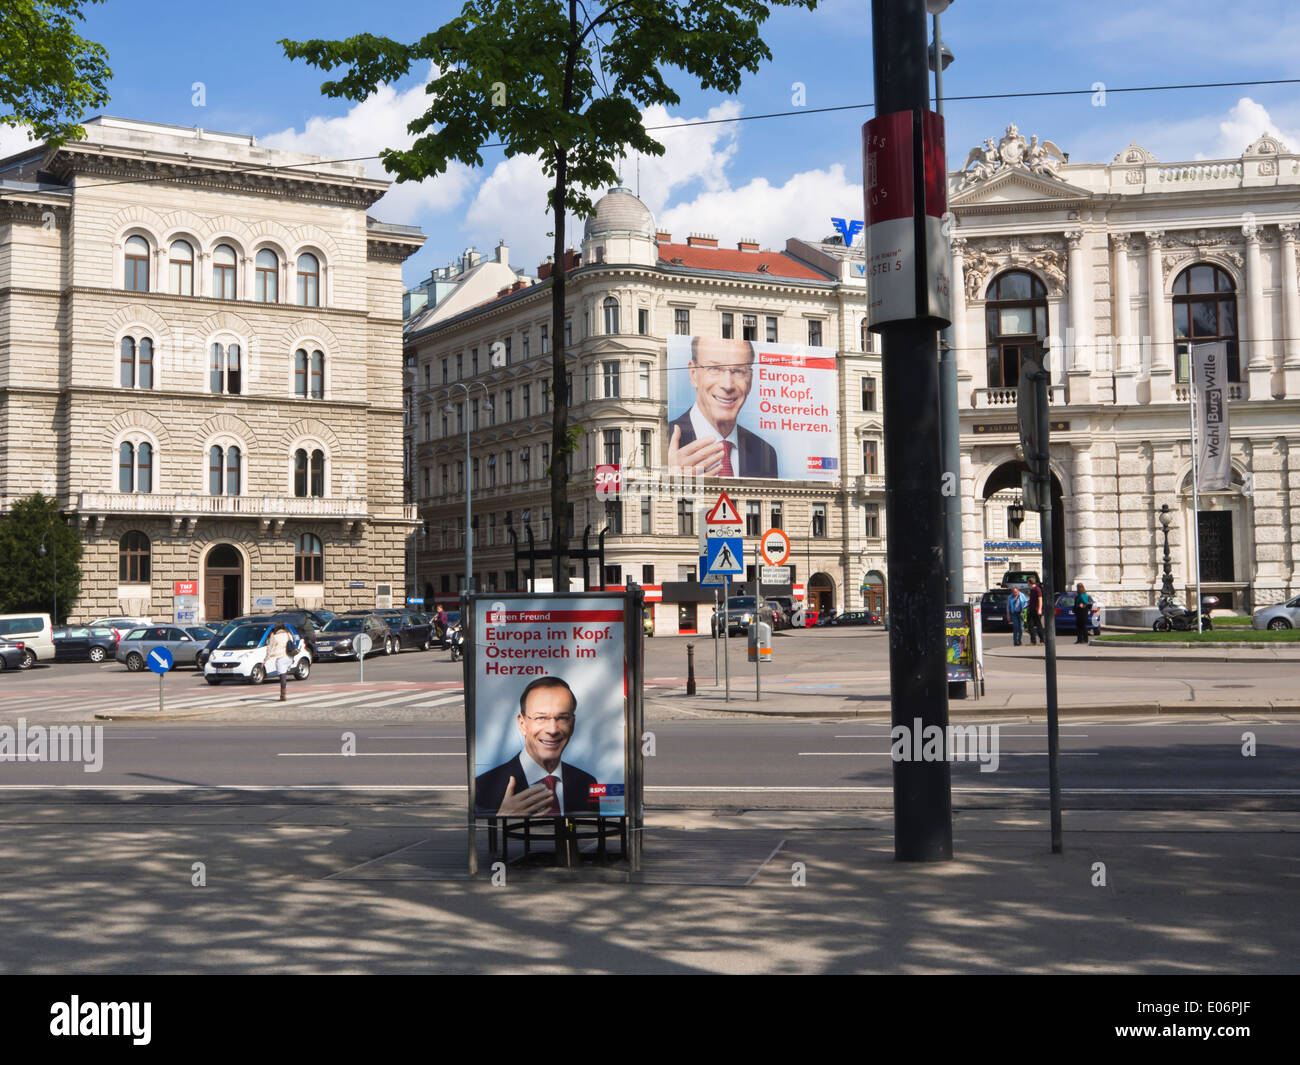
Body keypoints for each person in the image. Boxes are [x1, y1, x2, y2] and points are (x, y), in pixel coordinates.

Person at [475, 676, 599, 817]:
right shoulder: (483, 787)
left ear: (572, 724)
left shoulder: (586, 783)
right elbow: (484, 837)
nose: (552, 730)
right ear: (522, 724)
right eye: (541, 718)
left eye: (563, 718)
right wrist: (503, 818)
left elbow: (589, 835)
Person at [667, 336, 778, 478]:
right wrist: (670, 480)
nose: (727, 385)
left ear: (750, 380)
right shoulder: (665, 438)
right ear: (693, 374)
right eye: (714, 369)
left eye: (738, 371)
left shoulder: (765, 453)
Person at [264, 622, 297, 701]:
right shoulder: (288, 634)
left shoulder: (274, 636)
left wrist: (265, 660)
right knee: (284, 675)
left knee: (282, 676)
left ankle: (283, 696)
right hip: (289, 657)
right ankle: (283, 695)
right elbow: (292, 644)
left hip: (281, 657)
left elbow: (270, 648)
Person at [1026, 577, 1046, 646]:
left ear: (1030, 582)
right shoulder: (1032, 590)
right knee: (1030, 625)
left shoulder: (1037, 589)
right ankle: (1033, 641)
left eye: (1028, 582)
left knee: (1038, 625)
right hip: (1031, 609)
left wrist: (1040, 609)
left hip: (1036, 609)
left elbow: (1040, 599)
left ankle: (1042, 640)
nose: (1027, 584)